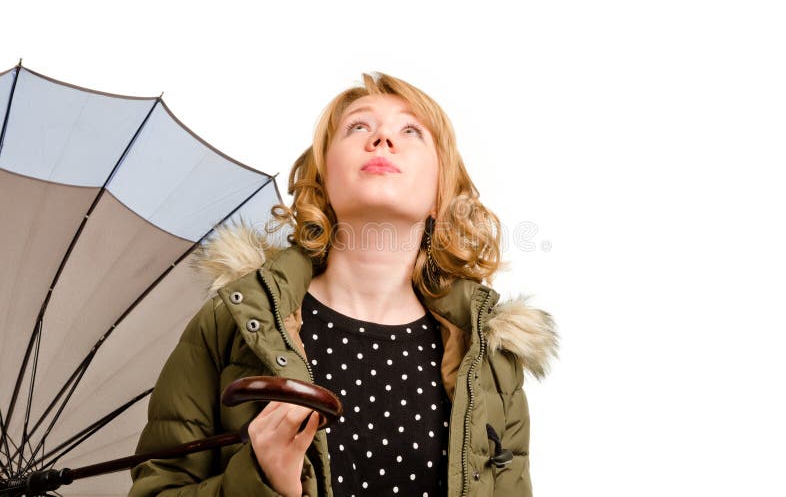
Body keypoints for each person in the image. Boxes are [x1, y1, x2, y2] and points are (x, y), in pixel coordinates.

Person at [129, 73, 558, 497]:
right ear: (323, 177)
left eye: (411, 130)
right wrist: (263, 480)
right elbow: (157, 489)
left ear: (440, 191)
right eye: (358, 127)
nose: (383, 139)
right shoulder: (233, 323)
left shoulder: (489, 359)